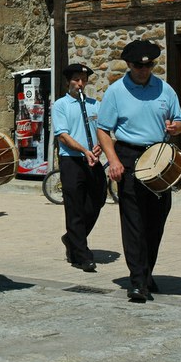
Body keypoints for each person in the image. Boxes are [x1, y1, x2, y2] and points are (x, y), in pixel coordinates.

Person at [97, 39, 181, 303]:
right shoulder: (116, 91)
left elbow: (179, 120)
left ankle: (146, 273)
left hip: (159, 157)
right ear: (129, 64)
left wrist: (176, 127)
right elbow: (103, 129)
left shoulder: (165, 89)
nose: (144, 70)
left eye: (149, 66)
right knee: (134, 222)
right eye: (138, 66)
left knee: (156, 221)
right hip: (129, 155)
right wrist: (113, 160)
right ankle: (137, 282)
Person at [52, 63, 106, 273]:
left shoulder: (95, 105)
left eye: (83, 80)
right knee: (74, 207)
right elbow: (62, 135)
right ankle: (82, 255)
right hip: (72, 161)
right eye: (76, 79)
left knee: (97, 200)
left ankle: (71, 239)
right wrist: (84, 150)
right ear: (69, 81)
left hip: (93, 160)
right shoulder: (61, 105)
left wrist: (100, 145)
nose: (80, 84)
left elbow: (103, 130)